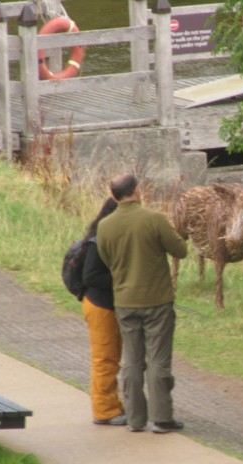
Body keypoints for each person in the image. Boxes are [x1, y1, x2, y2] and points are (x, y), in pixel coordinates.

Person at [97, 174, 188, 434]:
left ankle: (136, 419)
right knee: (158, 360)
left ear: (113, 196)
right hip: (157, 299)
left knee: (132, 361)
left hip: (125, 301)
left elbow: (106, 259)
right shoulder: (154, 219)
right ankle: (162, 418)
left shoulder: (105, 226)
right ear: (137, 191)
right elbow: (180, 251)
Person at [81, 197, 126, 426]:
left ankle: (113, 404)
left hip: (107, 305)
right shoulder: (97, 241)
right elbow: (90, 276)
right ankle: (104, 410)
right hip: (100, 306)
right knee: (105, 359)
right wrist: (121, 277)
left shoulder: (107, 237)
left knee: (113, 358)